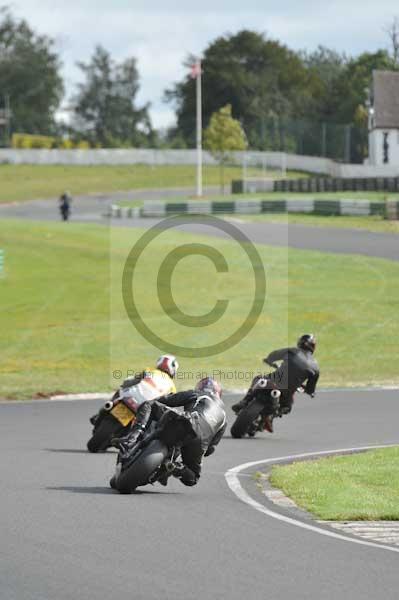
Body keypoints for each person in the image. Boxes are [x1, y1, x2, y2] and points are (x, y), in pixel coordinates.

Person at [112, 377, 227, 487]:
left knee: (149, 404)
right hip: (199, 444)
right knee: (193, 478)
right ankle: (176, 468)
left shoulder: (199, 395)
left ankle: (132, 438)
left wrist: (158, 401)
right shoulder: (224, 419)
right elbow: (210, 449)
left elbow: (166, 400)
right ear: (219, 394)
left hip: (186, 422)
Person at [232, 334, 319, 432]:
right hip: (287, 391)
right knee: (287, 407)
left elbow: (275, 354)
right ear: (313, 347)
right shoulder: (315, 367)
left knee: (258, 378)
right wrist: (309, 391)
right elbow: (311, 388)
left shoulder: (293, 351)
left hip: (274, 380)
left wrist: (269, 360)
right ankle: (271, 417)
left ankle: (245, 401)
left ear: (300, 343)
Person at [90, 354, 179, 427]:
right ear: (173, 369)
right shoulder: (172, 386)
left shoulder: (149, 370)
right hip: (147, 406)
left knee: (121, 389)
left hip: (132, 396)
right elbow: (169, 403)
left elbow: (130, 381)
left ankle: (103, 411)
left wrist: (125, 385)